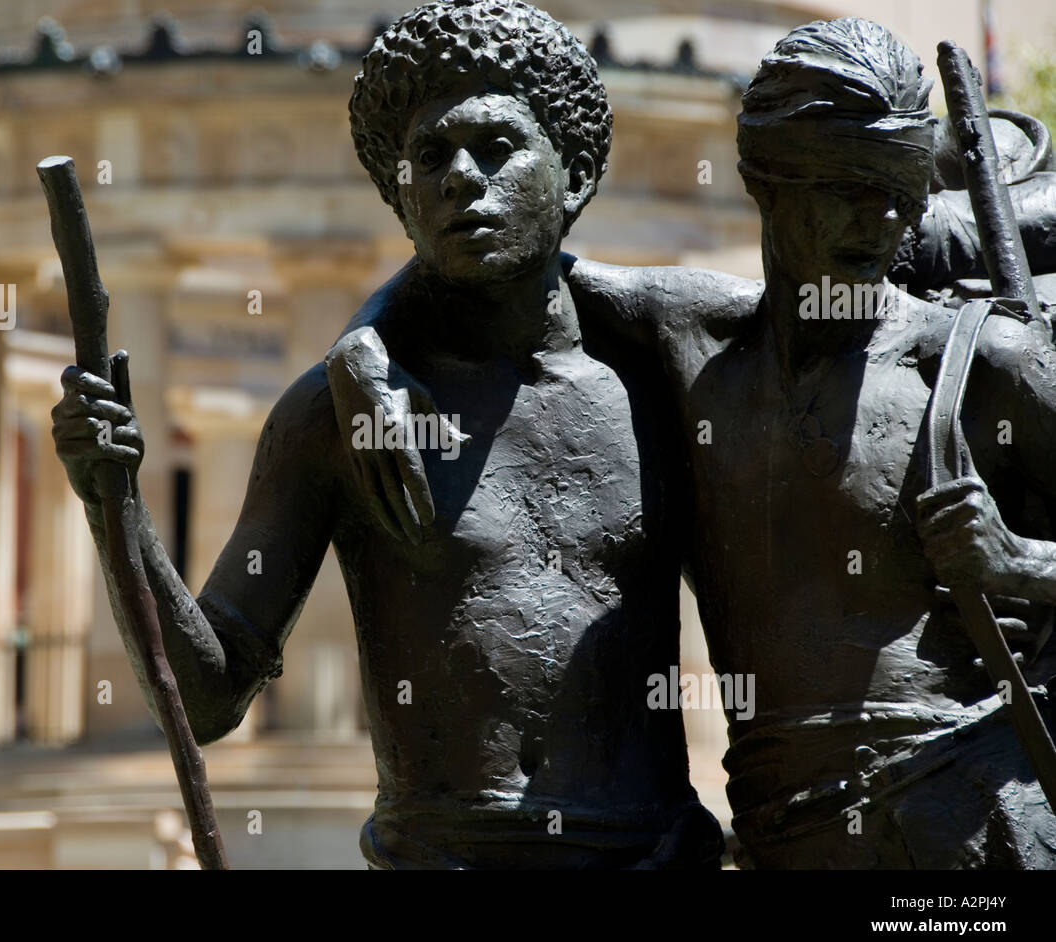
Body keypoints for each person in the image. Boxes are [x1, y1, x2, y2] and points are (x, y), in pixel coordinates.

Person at [328, 16, 1056, 867]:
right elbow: (492, 258)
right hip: (788, 835)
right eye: (846, 188)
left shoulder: (982, 358)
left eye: (900, 187)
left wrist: (1022, 562)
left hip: (972, 817)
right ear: (765, 183)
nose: (885, 218)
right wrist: (360, 354)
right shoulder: (691, 339)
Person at [52, 0, 722, 869]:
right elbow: (210, 693)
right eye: (429, 156)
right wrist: (118, 507)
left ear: (579, 171)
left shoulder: (663, 381)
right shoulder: (328, 419)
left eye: (497, 147)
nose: (459, 179)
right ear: (397, 197)